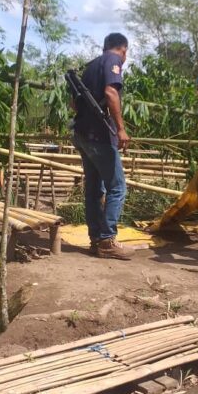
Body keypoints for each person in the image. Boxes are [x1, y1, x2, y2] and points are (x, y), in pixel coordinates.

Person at [71, 33, 134, 260]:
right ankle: (107, 240)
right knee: (117, 187)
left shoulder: (90, 67)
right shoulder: (113, 60)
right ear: (124, 50)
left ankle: (96, 239)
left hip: (82, 134)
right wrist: (120, 128)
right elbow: (110, 92)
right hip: (99, 136)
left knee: (94, 189)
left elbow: (73, 103)